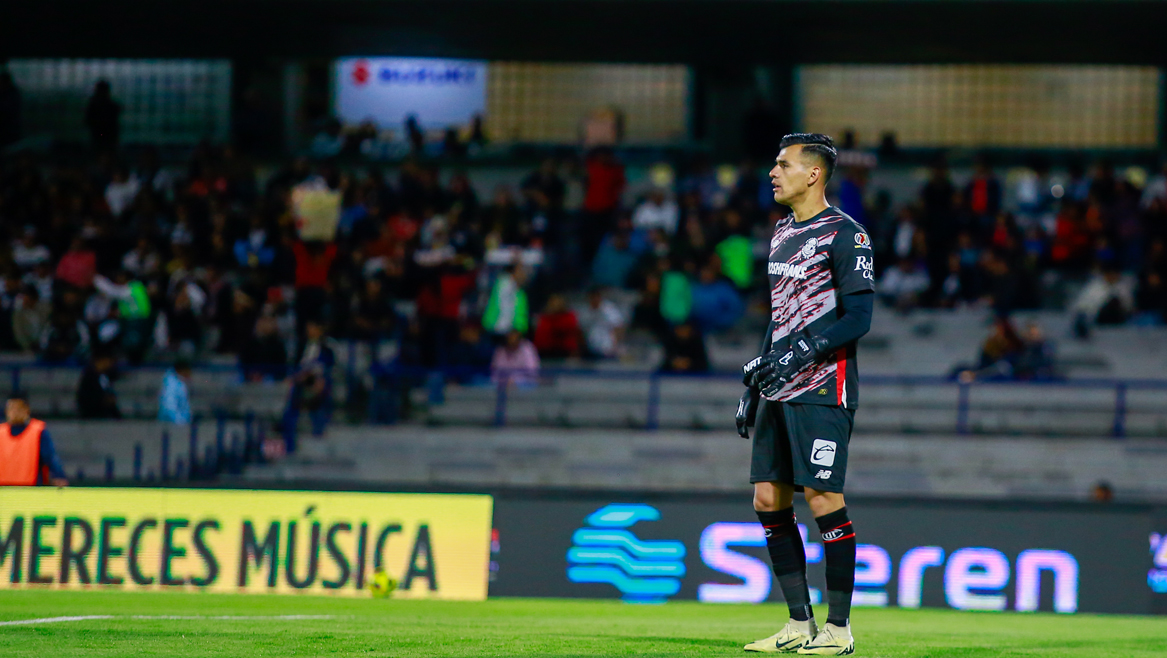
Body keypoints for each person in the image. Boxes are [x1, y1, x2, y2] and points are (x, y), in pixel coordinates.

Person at [737, 134, 874, 655]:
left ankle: (839, 629)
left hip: (822, 387)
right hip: (779, 388)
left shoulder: (846, 234)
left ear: (813, 174)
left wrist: (803, 352)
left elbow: (858, 317)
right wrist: (754, 387)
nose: (773, 172)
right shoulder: (780, 232)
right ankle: (799, 624)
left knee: (822, 499)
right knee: (767, 498)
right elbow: (779, 318)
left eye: (783, 164)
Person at [0, 392, 67, 487]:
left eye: (18, 408)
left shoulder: (38, 431)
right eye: (11, 408)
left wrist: (58, 475)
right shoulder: (1, 432)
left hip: (32, 489)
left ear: (27, 410)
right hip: (4, 489)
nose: (14, 412)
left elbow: (50, 457)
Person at [77, 352, 122, 419]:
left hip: (105, 413)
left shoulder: (106, 376)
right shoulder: (89, 377)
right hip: (92, 414)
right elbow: (85, 397)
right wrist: (103, 400)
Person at [158, 359, 193, 425]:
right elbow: (169, 406)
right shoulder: (171, 384)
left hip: (181, 422)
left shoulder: (180, 383)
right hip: (172, 424)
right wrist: (180, 421)